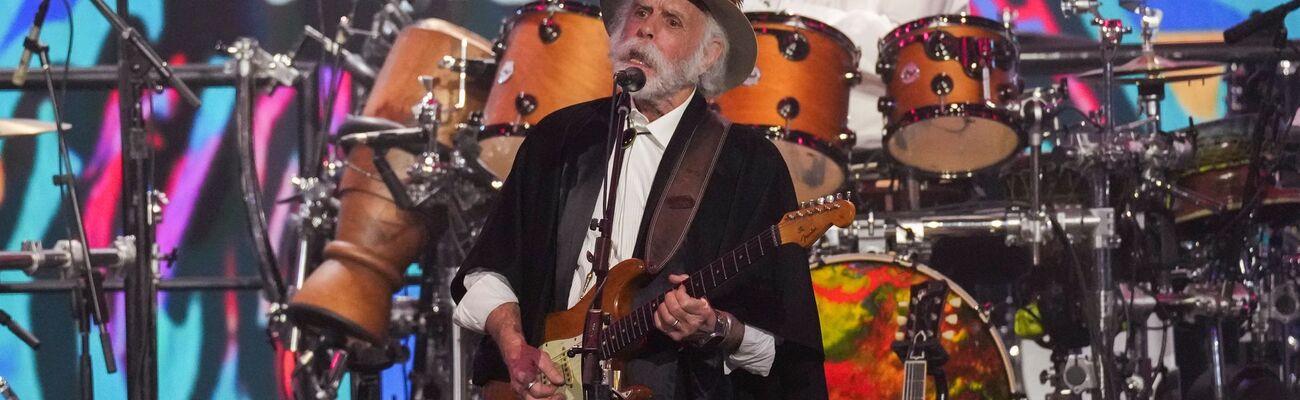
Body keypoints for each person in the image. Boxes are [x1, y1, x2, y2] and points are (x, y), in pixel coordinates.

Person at [449, 0, 827, 398]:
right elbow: (488, 269)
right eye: (641, 11)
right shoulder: (559, 138)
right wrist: (513, 348)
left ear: (709, 54)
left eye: (672, 20)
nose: (646, 29)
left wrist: (716, 327)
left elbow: (783, 349)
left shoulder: (750, 166)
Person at [741, 0, 969, 150]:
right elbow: (741, 16)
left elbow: (905, 51)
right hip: (756, 140)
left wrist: (792, 22)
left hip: (882, 159)